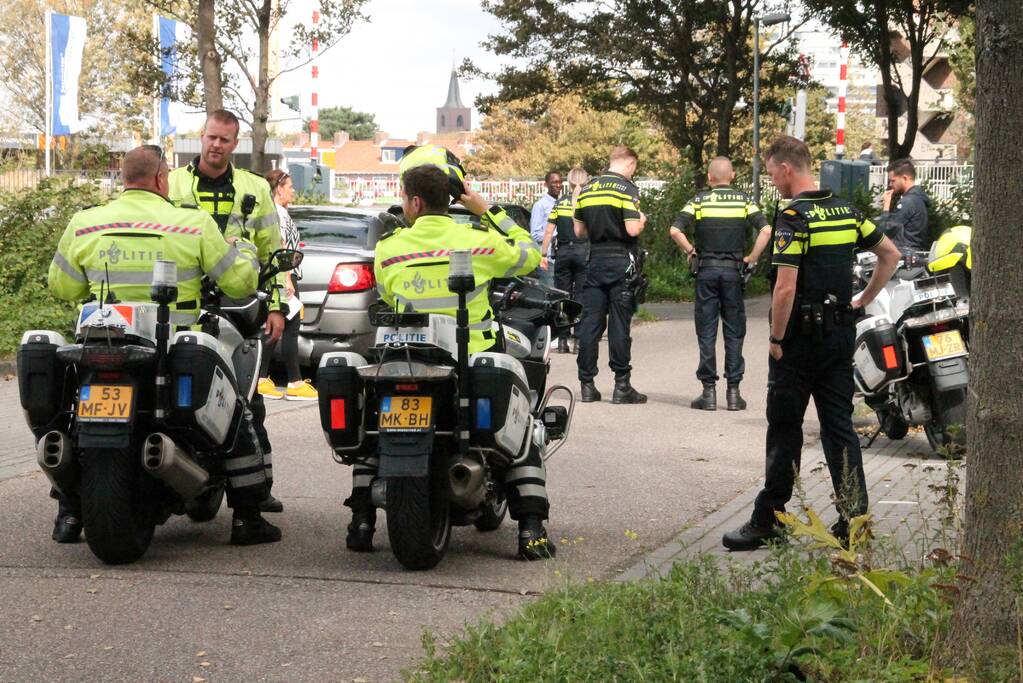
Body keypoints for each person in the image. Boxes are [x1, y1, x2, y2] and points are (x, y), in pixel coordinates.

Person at [46, 145, 280, 545]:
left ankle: (69, 511)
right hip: (172, 345)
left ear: (124, 179)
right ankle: (247, 516)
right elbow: (239, 283)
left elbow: (62, 286)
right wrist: (242, 250)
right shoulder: (192, 223)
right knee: (234, 409)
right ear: (160, 178)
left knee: (72, 419)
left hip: (103, 339)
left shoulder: (85, 223)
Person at [351, 162, 556, 561]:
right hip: (471, 358)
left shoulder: (390, 249)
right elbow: (531, 255)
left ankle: (361, 521)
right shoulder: (477, 242)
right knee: (519, 427)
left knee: (374, 435)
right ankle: (531, 531)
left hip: (406, 357)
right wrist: (486, 210)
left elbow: (386, 295)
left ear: (414, 202)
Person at [722, 136, 901, 551]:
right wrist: (863, 299)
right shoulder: (846, 211)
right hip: (838, 335)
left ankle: (770, 521)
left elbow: (785, 288)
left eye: (772, 173)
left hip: (798, 341)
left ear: (786, 168)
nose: (773, 181)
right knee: (839, 428)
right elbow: (890, 255)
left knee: (784, 428)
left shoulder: (793, 217)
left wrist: (776, 338)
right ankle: (854, 522)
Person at [168, 109, 286, 516]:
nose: (216, 145)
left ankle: (257, 489)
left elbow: (272, 253)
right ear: (201, 137)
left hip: (239, 303)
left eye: (224, 140)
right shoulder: (174, 182)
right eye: (211, 137)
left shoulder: (255, 188)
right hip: (184, 302)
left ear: (236, 144)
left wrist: (277, 307)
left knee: (245, 395)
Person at [669, 156, 769, 411]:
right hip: (733, 272)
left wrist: (691, 250)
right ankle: (734, 393)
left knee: (707, 331)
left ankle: (708, 392)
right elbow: (766, 230)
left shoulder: (699, 200)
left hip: (706, 272)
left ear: (709, 177)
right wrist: (752, 257)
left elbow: (675, 230)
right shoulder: (744, 201)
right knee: (734, 331)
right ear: (732, 176)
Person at [574, 146, 648, 405]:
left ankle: (587, 385)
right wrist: (642, 219)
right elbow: (632, 229)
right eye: (634, 168)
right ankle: (621, 386)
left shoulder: (588, 189)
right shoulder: (626, 189)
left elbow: (579, 231)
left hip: (594, 261)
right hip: (621, 261)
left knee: (591, 323)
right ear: (629, 163)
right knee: (619, 324)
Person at [257, 169, 316, 401]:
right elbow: (281, 247)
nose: (293, 190)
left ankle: (262, 379)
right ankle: (294, 383)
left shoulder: (275, 212)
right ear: (279, 189)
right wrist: (287, 279)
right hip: (285, 278)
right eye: (289, 186)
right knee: (289, 329)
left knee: (277, 328)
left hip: (282, 277)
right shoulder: (278, 214)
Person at [541, 166, 589, 353]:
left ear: (568, 183)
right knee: (581, 296)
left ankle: (562, 340)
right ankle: (579, 340)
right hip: (583, 252)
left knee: (563, 296)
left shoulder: (559, 203)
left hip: (563, 253)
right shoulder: (587, 203)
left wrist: (543, 254)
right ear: (585, 182)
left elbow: (548, 231)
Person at [875, 158, 933, 256]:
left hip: (905, 255)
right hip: (912, 252)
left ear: (905, 178)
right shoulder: (917, 199)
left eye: (893, 181)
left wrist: (886, 206)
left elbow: (885, 231)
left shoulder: (908, 202)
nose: (890, 184)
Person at [529, 170, 562, 287]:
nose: (558, 185)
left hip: (561, 257)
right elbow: (535, 234)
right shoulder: (540, 205)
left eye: (560, 182)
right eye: (554, 182)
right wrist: (555, 236)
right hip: (546, 258)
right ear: (546, 184)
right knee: (549, 290)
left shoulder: (562, 203)